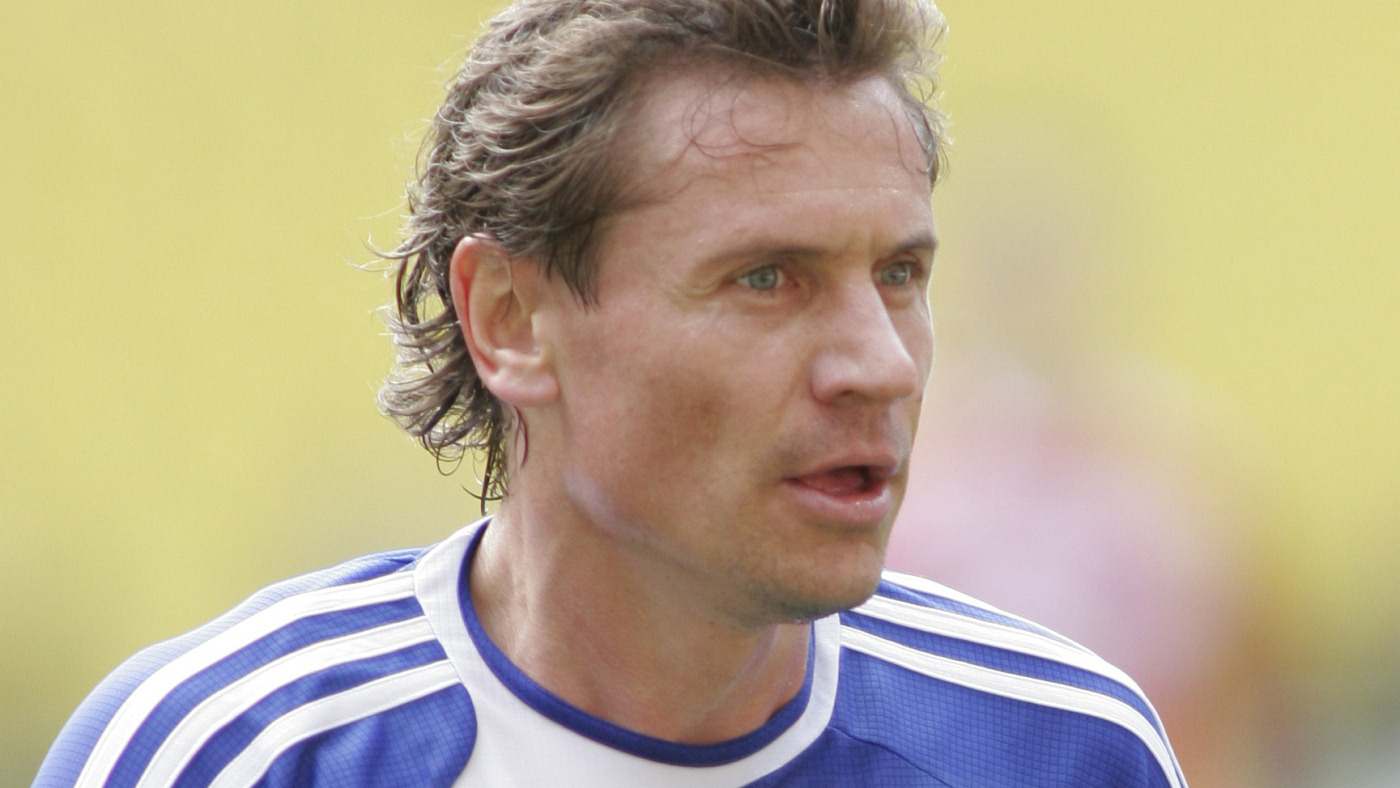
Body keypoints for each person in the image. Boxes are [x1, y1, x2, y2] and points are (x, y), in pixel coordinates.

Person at [34, 0, 1186, 785]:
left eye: (898, 274)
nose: (880, 362)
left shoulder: (1063, 751)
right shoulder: (226, 753)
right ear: (510, 318)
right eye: (766, 278)